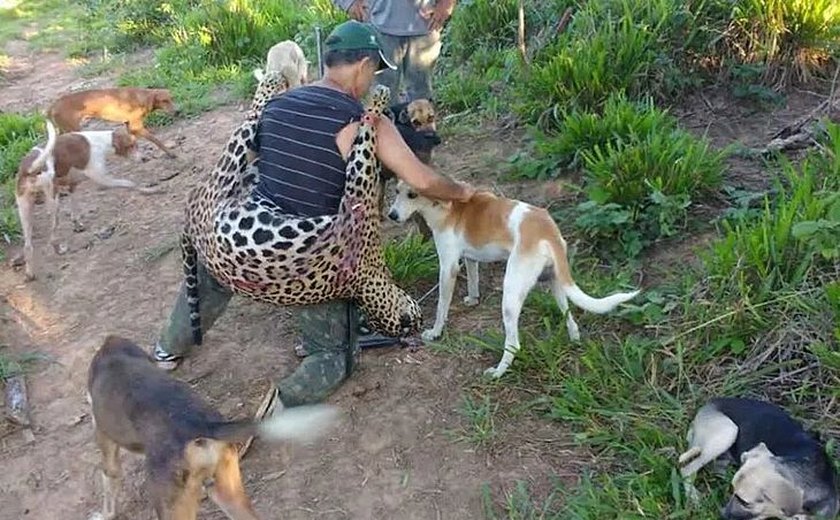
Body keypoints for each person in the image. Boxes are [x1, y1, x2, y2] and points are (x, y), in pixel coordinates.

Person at [151, 20, 474, 409]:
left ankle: (168, 349)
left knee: (211, 274)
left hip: (237, 244)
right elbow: (422, 179)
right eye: (375, 71)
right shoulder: (366, 121)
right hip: (307, 261)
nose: (372, 81)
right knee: (334, 356)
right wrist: (463, 192)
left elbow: (247, 164)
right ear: (363, 66)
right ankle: (279, 404)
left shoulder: (276, 105)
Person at [334, 0, 456, 103]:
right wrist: (348, 2)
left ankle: (418, 131)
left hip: (425, 26)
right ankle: (384, 129)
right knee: (381, 97)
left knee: (421, 96)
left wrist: (447, 3)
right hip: (379, 26)